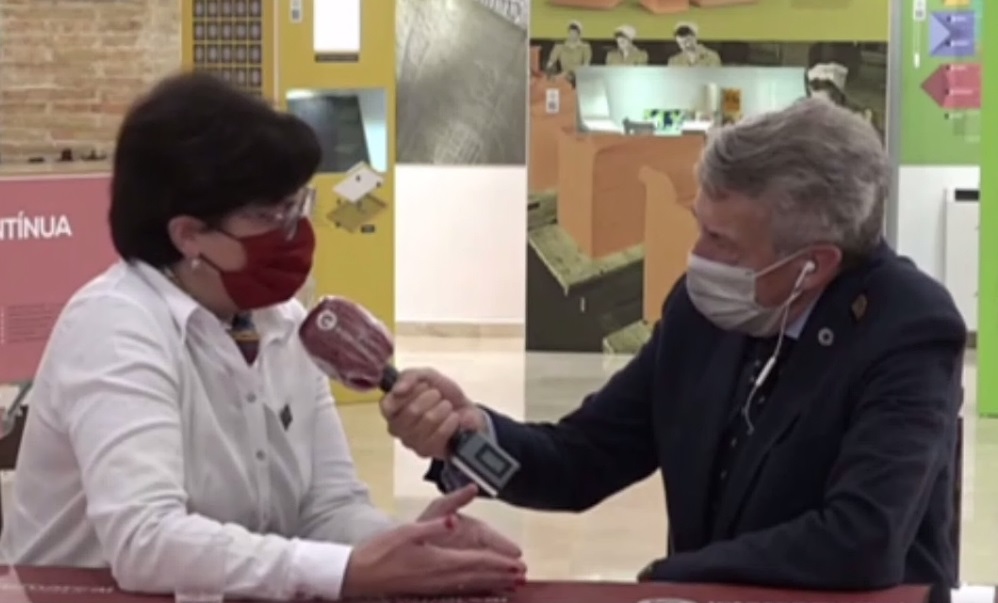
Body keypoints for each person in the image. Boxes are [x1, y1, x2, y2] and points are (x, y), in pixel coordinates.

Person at [382, 99, 966, 592]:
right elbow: (583, 459)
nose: (697, 257)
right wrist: (468, 437)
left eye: (721, 239)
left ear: (814, 264)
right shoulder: (703, 311)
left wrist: (672, 578)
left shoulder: (907, 328)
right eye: (699, 225)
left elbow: (861, 539)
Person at [0, 72, 525, 601]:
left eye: (297, 207)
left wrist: (408, 547)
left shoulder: (285, 324)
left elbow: (327, 508)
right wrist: (347, 571)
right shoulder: (115, 326)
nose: (293, 232)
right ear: (189, 235)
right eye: (268, 215)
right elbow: (145, 541)